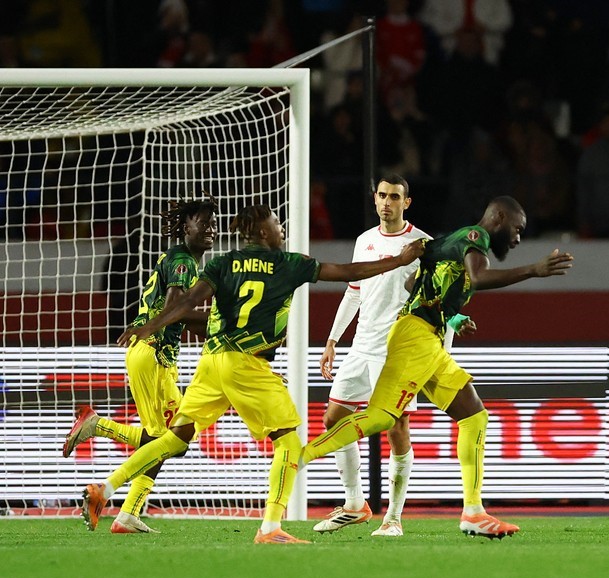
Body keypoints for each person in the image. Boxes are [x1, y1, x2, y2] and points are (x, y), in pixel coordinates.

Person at [81, 204, 424, 544]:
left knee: (175, 436)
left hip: (212, 361)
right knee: (289, 442)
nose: (282, 230)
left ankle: (105, 488)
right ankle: (271, 527)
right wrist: (399, 260)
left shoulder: (221, 263)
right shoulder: (288, 264)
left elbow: (184, 305)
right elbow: (349, 272)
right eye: (277, 224)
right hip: (247, 363)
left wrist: (151, 325)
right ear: (263, 232)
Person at [299, 196, 574, 539]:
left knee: (474, 416)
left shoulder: (447, 240)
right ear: (499, 218)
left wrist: (450, 315)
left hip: (427, 337)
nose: (517, 238)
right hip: (415, 337)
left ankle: (473, 512)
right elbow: (477, 278)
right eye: (517, 229)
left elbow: (412, 283)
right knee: (383, 416)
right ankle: (299, 455)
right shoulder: (476, 238)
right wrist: (533, 270)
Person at [312, 175, 475, 538]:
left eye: (394, 197)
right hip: (361, 345)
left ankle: (394, 518)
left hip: (398, 350)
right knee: (334, 419)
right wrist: (332, 339)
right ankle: (355, 505)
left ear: (407, 202)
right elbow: (354, 292)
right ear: (375, 200)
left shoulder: (425, 245)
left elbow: (439, 300)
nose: (387, 202)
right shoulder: (364, 241)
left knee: (397, 428)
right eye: (382, 196)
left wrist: (442, 345)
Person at [63, 196, 218, 534]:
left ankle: (128, 513)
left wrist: (209, 328)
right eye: (203, 221)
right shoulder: (183, 262)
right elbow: (177, 306)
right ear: (184, 226)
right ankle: (99, 431)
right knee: (172, 440)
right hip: (152, 353)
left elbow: (181, 316)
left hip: (154, 354)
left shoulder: (181, 260)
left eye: (213, 222)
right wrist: (224, 324)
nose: (211, 228)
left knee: (162, 439)